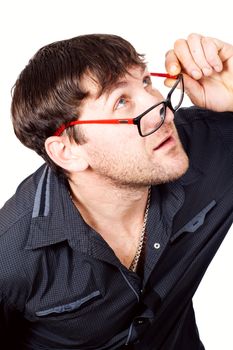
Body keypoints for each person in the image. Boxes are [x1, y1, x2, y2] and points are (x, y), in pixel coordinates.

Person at [0, 32, 233, 350]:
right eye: (122, 100)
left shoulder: (212, 145)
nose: (160, 107)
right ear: (67, 151)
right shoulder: (11, 254)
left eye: (147, 81)